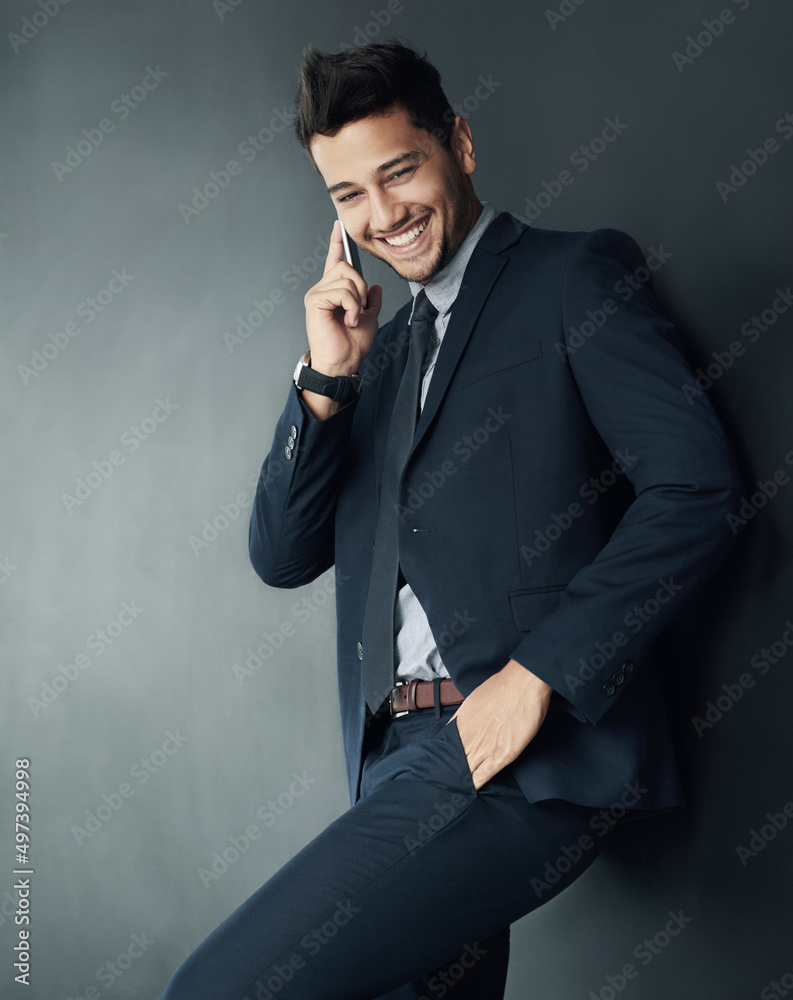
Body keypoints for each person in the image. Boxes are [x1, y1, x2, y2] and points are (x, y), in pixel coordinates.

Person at [159, 40, 743, 1000]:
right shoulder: (372, 360)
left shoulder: (571, 279)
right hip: (391, 760)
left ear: (458, 144)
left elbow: (697, 488)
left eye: (400, 171)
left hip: (520, 754)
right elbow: (280, 555)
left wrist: (539, 671)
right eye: (349, 196)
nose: (383, 216)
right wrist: (324, 382)